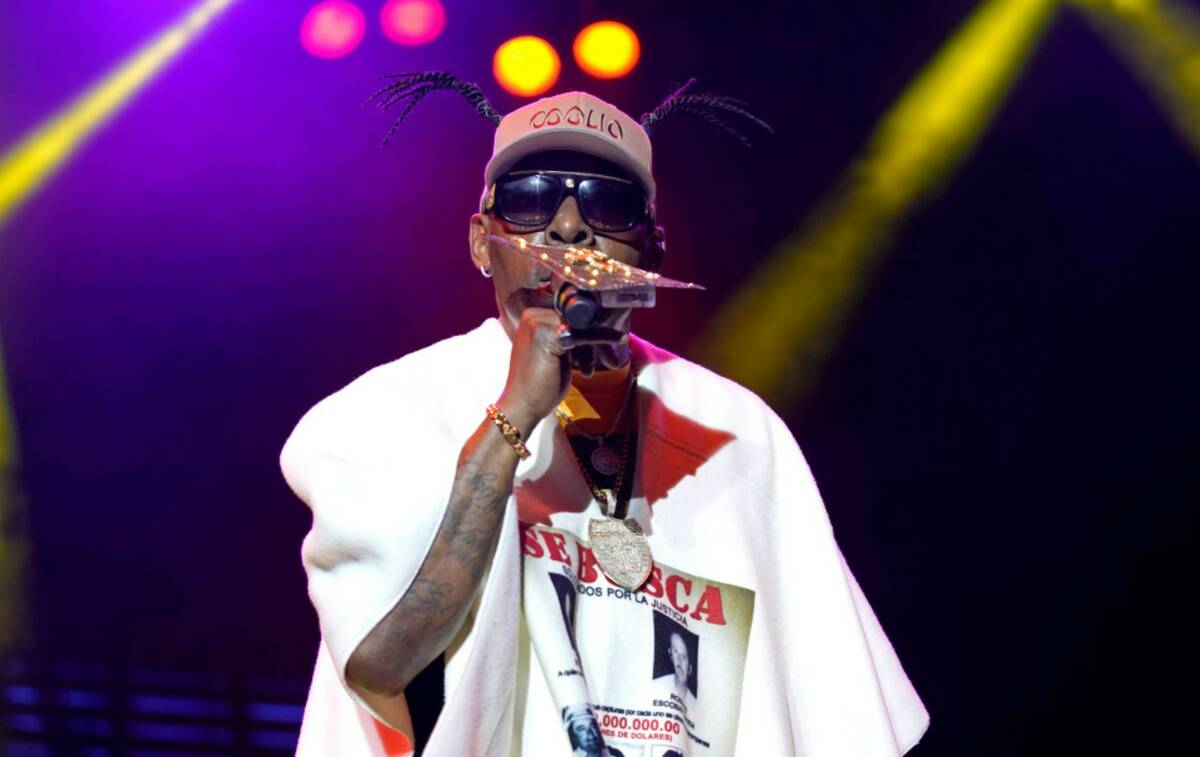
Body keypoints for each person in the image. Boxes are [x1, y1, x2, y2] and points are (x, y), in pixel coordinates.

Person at [280, 74, 930, 756]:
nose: (567, 226)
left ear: (653, 249)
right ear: (481, 242)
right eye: (531, 199)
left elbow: (837, 720)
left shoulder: (739, 432)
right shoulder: (392, 410)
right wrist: (515, 416)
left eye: (607, 202)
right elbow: (385, 662)